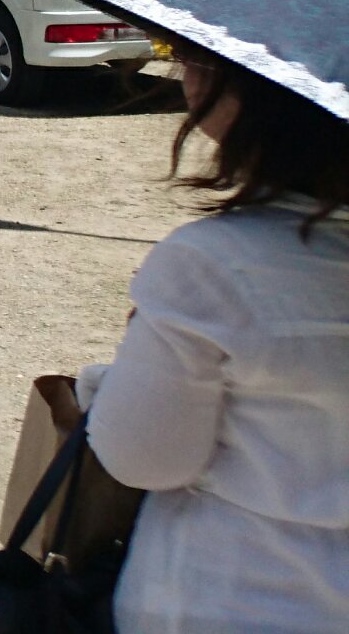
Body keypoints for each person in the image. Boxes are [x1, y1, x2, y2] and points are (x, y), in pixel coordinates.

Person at [79, 45, 348, 632]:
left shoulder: (213, 266)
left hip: (228, 597)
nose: (184, 75)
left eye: (196, 58)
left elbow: (143, 458)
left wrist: (105, 382)